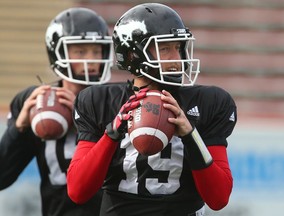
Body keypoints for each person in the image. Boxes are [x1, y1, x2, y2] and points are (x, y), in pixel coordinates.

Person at [67, 3, 237, 216]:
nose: (176, 58)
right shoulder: (99, 101)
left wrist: (190, 135)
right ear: (132, 55)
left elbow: (219, 198)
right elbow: (78, 191)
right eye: (165, 48)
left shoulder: (209, 102)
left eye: (178, 47)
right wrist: (112, 133)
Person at [0, 7, 113, 216]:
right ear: (58, 52)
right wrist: (19, 128)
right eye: (81, 51)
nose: (92, 60)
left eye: (96, 51)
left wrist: (85, 117)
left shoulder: (116, 101)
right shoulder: (36, 103)